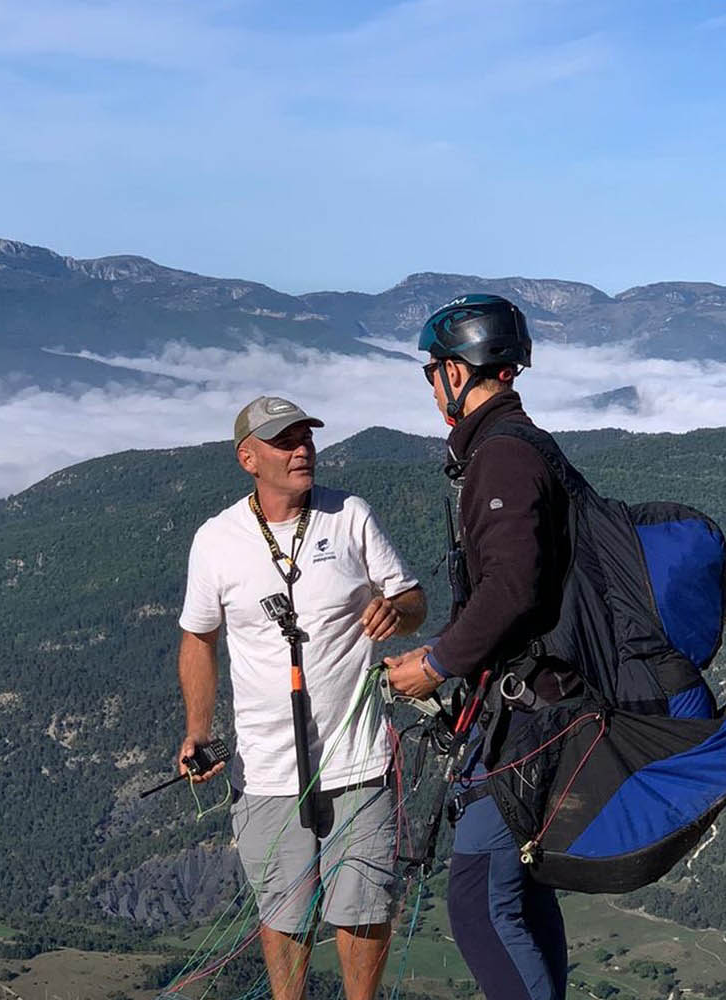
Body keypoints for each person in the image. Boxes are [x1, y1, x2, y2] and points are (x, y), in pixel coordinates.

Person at [177, 394, 427, 1000]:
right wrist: (198, 731)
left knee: (363, 906)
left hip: (359, 756)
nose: (302, 450)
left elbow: (415, 604)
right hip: (265, 768)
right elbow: (198, 638)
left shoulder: (350, 517)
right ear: (248, 459)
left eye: (306, 439)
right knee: (283, 915)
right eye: (285, 442)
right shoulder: (217, 540)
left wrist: (396, 609)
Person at [386, 295, 576, 1000]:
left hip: (523, 721)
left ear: (458, 372)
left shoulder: (499, 457)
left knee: (477, 903)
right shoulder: (519, 444)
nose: (431, 384)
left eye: (432, 370)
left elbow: (511, 590)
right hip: (539, 703)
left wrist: (435, 662)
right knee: (519, 894)